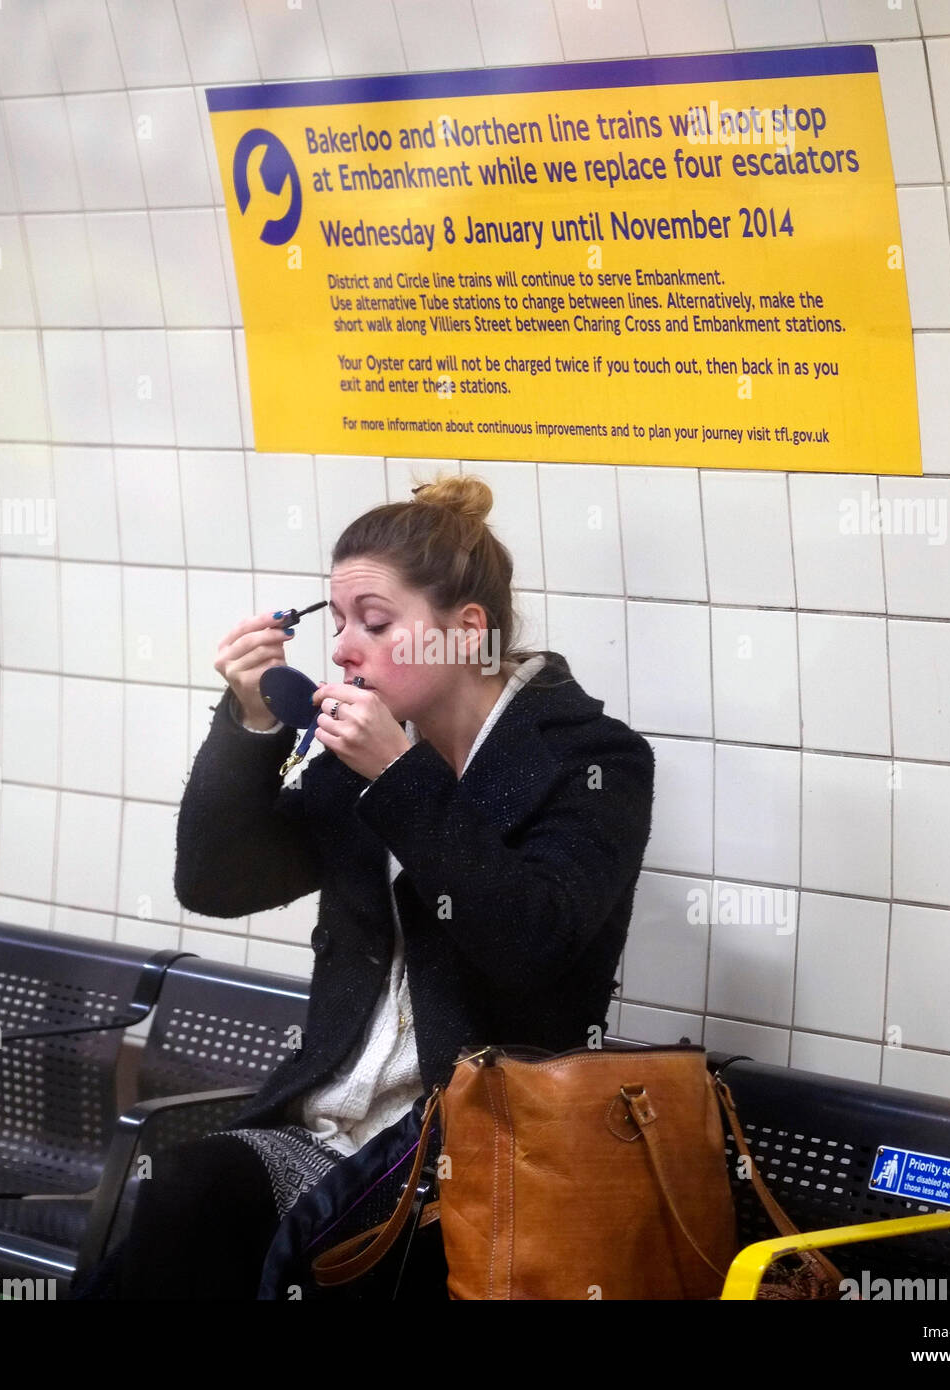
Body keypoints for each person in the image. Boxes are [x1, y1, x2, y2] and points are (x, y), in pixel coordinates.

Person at [83, 473, 655, 1298]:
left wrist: (402, 778)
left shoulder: (590, 762)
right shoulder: (364, 760)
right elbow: (216, 882)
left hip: (471, 1159)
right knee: (182, 1197)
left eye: (376, 624)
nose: (345, 648)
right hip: (326, 1138)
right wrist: (250, 724)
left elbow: (534, 944)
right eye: (340, 622)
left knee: (206, 1219)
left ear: (464, 634)